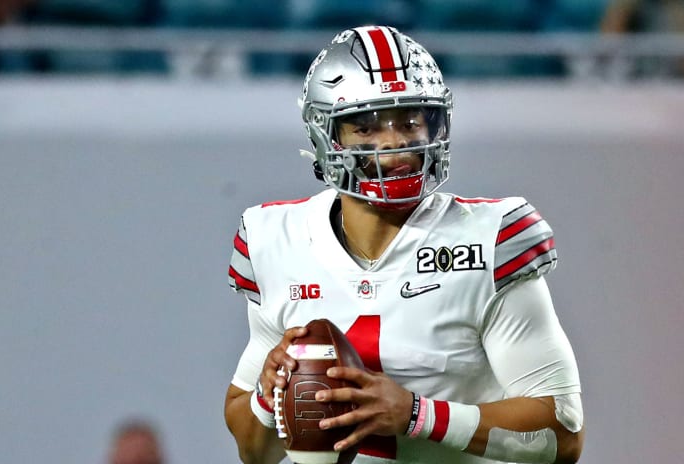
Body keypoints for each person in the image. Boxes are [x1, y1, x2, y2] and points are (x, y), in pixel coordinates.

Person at [224, 25, 584, 464]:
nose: (394, 140)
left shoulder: (489, 239)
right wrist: (270, 395)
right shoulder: (274, 240)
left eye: (409, 120)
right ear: (326, 137)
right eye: (366, 126)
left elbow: (562, 437)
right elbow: (253, 452)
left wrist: (418, 415)